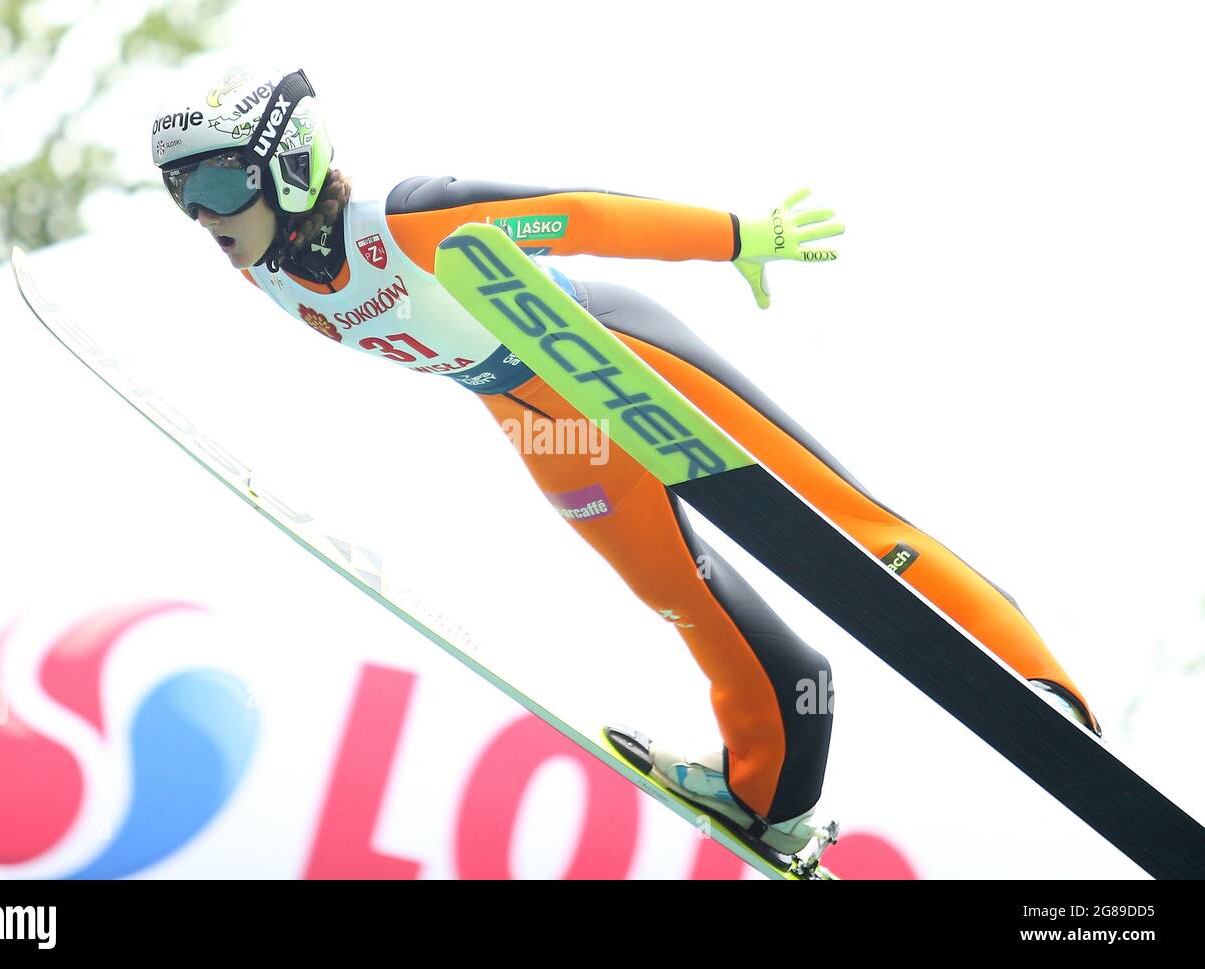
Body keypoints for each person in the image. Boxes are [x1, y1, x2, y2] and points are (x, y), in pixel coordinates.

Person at [152, 66, 1101, 859]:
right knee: (680, 594)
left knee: (837, 517)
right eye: (183, 195)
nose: (203, 216)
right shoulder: (266, 273)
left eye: (222, 186)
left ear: (291, 161)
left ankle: (1038, 684)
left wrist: (742, 238)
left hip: (609, 348)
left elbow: (583, 215)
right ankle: (771, 793)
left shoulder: (408, 220)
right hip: (533, 417)